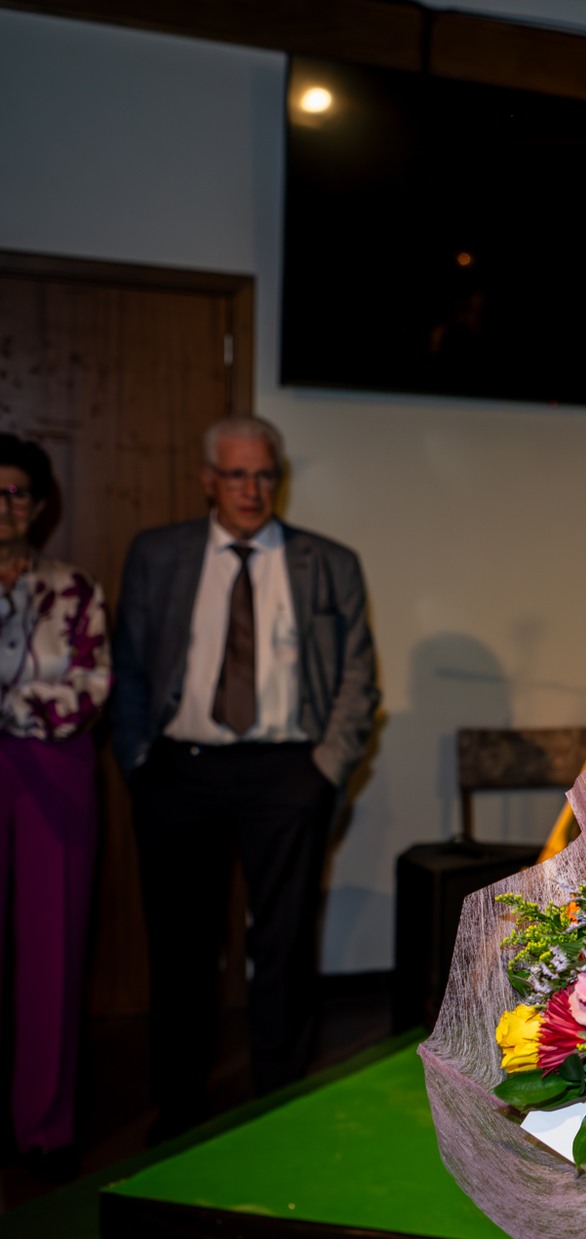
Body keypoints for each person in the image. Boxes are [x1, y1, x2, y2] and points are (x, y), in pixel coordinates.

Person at [111, 415, 378, 1141]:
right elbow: (128, 666)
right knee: (181, 948)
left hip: (288, 773)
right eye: (236, 475)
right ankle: (178, 1113)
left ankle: (278, 1110)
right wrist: (139, 762)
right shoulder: (158, 555)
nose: (251, 489)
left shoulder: (329, 563)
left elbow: (358, 679)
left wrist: (324, 770)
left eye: (264, 474)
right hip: (180, 771)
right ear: (208, 480)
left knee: (284, 948)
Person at [0, 434, 108, 1183]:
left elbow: (90, 686)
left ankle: (44, 1125)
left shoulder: (73, 589)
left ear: (38, 507)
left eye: (18, 493)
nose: (6, 505)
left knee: (51, 951)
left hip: (52, 771)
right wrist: (35, 696)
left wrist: (16, 706)